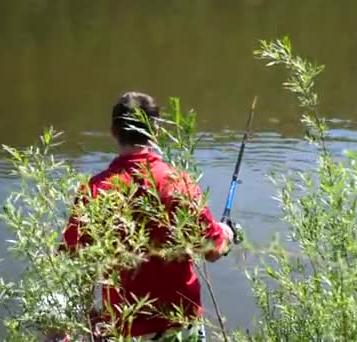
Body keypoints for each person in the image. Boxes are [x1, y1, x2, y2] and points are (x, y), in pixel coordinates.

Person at [59, 91, 235, 341]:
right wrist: (226, 233)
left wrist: (90, 320)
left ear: (113, 131)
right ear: (157, 131)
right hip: (178, 326)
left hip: (122, 327)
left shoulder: (95, 191)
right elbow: (213, 249)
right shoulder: (178, 183)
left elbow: (75, 265)